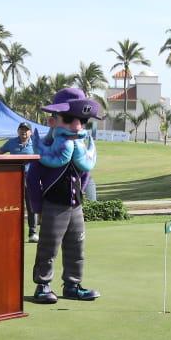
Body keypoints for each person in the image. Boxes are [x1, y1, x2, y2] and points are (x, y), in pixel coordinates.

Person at [30, 87, 102, 303]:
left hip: (75, 207)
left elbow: (86, 174)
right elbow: (32, 180)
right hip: (53, 206)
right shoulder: (47, 151)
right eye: (69, 119)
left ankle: (72, 284)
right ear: (53, 121)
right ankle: (43, 285)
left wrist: (80, 195)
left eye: (82, 120)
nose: (77, 125)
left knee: (76, 247)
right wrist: (38, 209)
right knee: (48, 248)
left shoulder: (81, 149)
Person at [0, 122, 39, 241]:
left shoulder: (35, 143)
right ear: (18, 131)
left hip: (30, 177)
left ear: (30, 132)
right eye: (21, 129)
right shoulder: (11, 142)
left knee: (31, 206)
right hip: (14, 178)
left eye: (26, 130)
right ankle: (12, 232)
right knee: (13, 206)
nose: (23, 131)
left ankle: (32, 233)